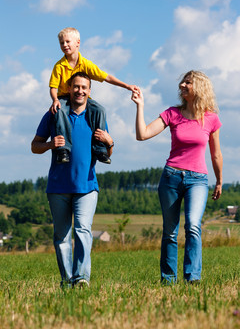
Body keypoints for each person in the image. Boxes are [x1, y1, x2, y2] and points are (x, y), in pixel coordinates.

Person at [131, 70, 223, 284]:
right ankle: (168, 279)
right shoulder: (172, 113)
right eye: (182, 81)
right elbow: (142, 134)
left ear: (199, 87)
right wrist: (140, 106)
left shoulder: (211, 119)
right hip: (171, 178)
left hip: (198, 179)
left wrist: (219, 180)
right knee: (170, 232)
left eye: (187, 82)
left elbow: (216, 154)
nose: (182, 85)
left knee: (192, 225)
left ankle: (192, 277)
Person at [32, 72, 114, 288]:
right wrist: (51, 144)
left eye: (84, 87)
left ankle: (81, 278)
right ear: (69, 88)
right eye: (76, 87)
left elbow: (108, 152)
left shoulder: (96, 115)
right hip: (58, 187)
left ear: (89, 90)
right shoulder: (54, 114)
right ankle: (67, 280)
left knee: (83, 230)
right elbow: (34, 146)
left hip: (87, 186)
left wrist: (110, 141)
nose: (80, 91)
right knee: (62, 236)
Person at [49, 27, 138, 164]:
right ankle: (63, 149)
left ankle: (99, 149)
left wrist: (127, 86)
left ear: (78, 43)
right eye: (61, 43)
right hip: (65, 98)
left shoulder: (85, 64)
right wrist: (55, 100)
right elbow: (53, 87)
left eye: (67, 41)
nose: (64, 45)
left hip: (83, 99)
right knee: (59, 110)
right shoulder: (59, 66)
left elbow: (106, 77)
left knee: (100, 109)